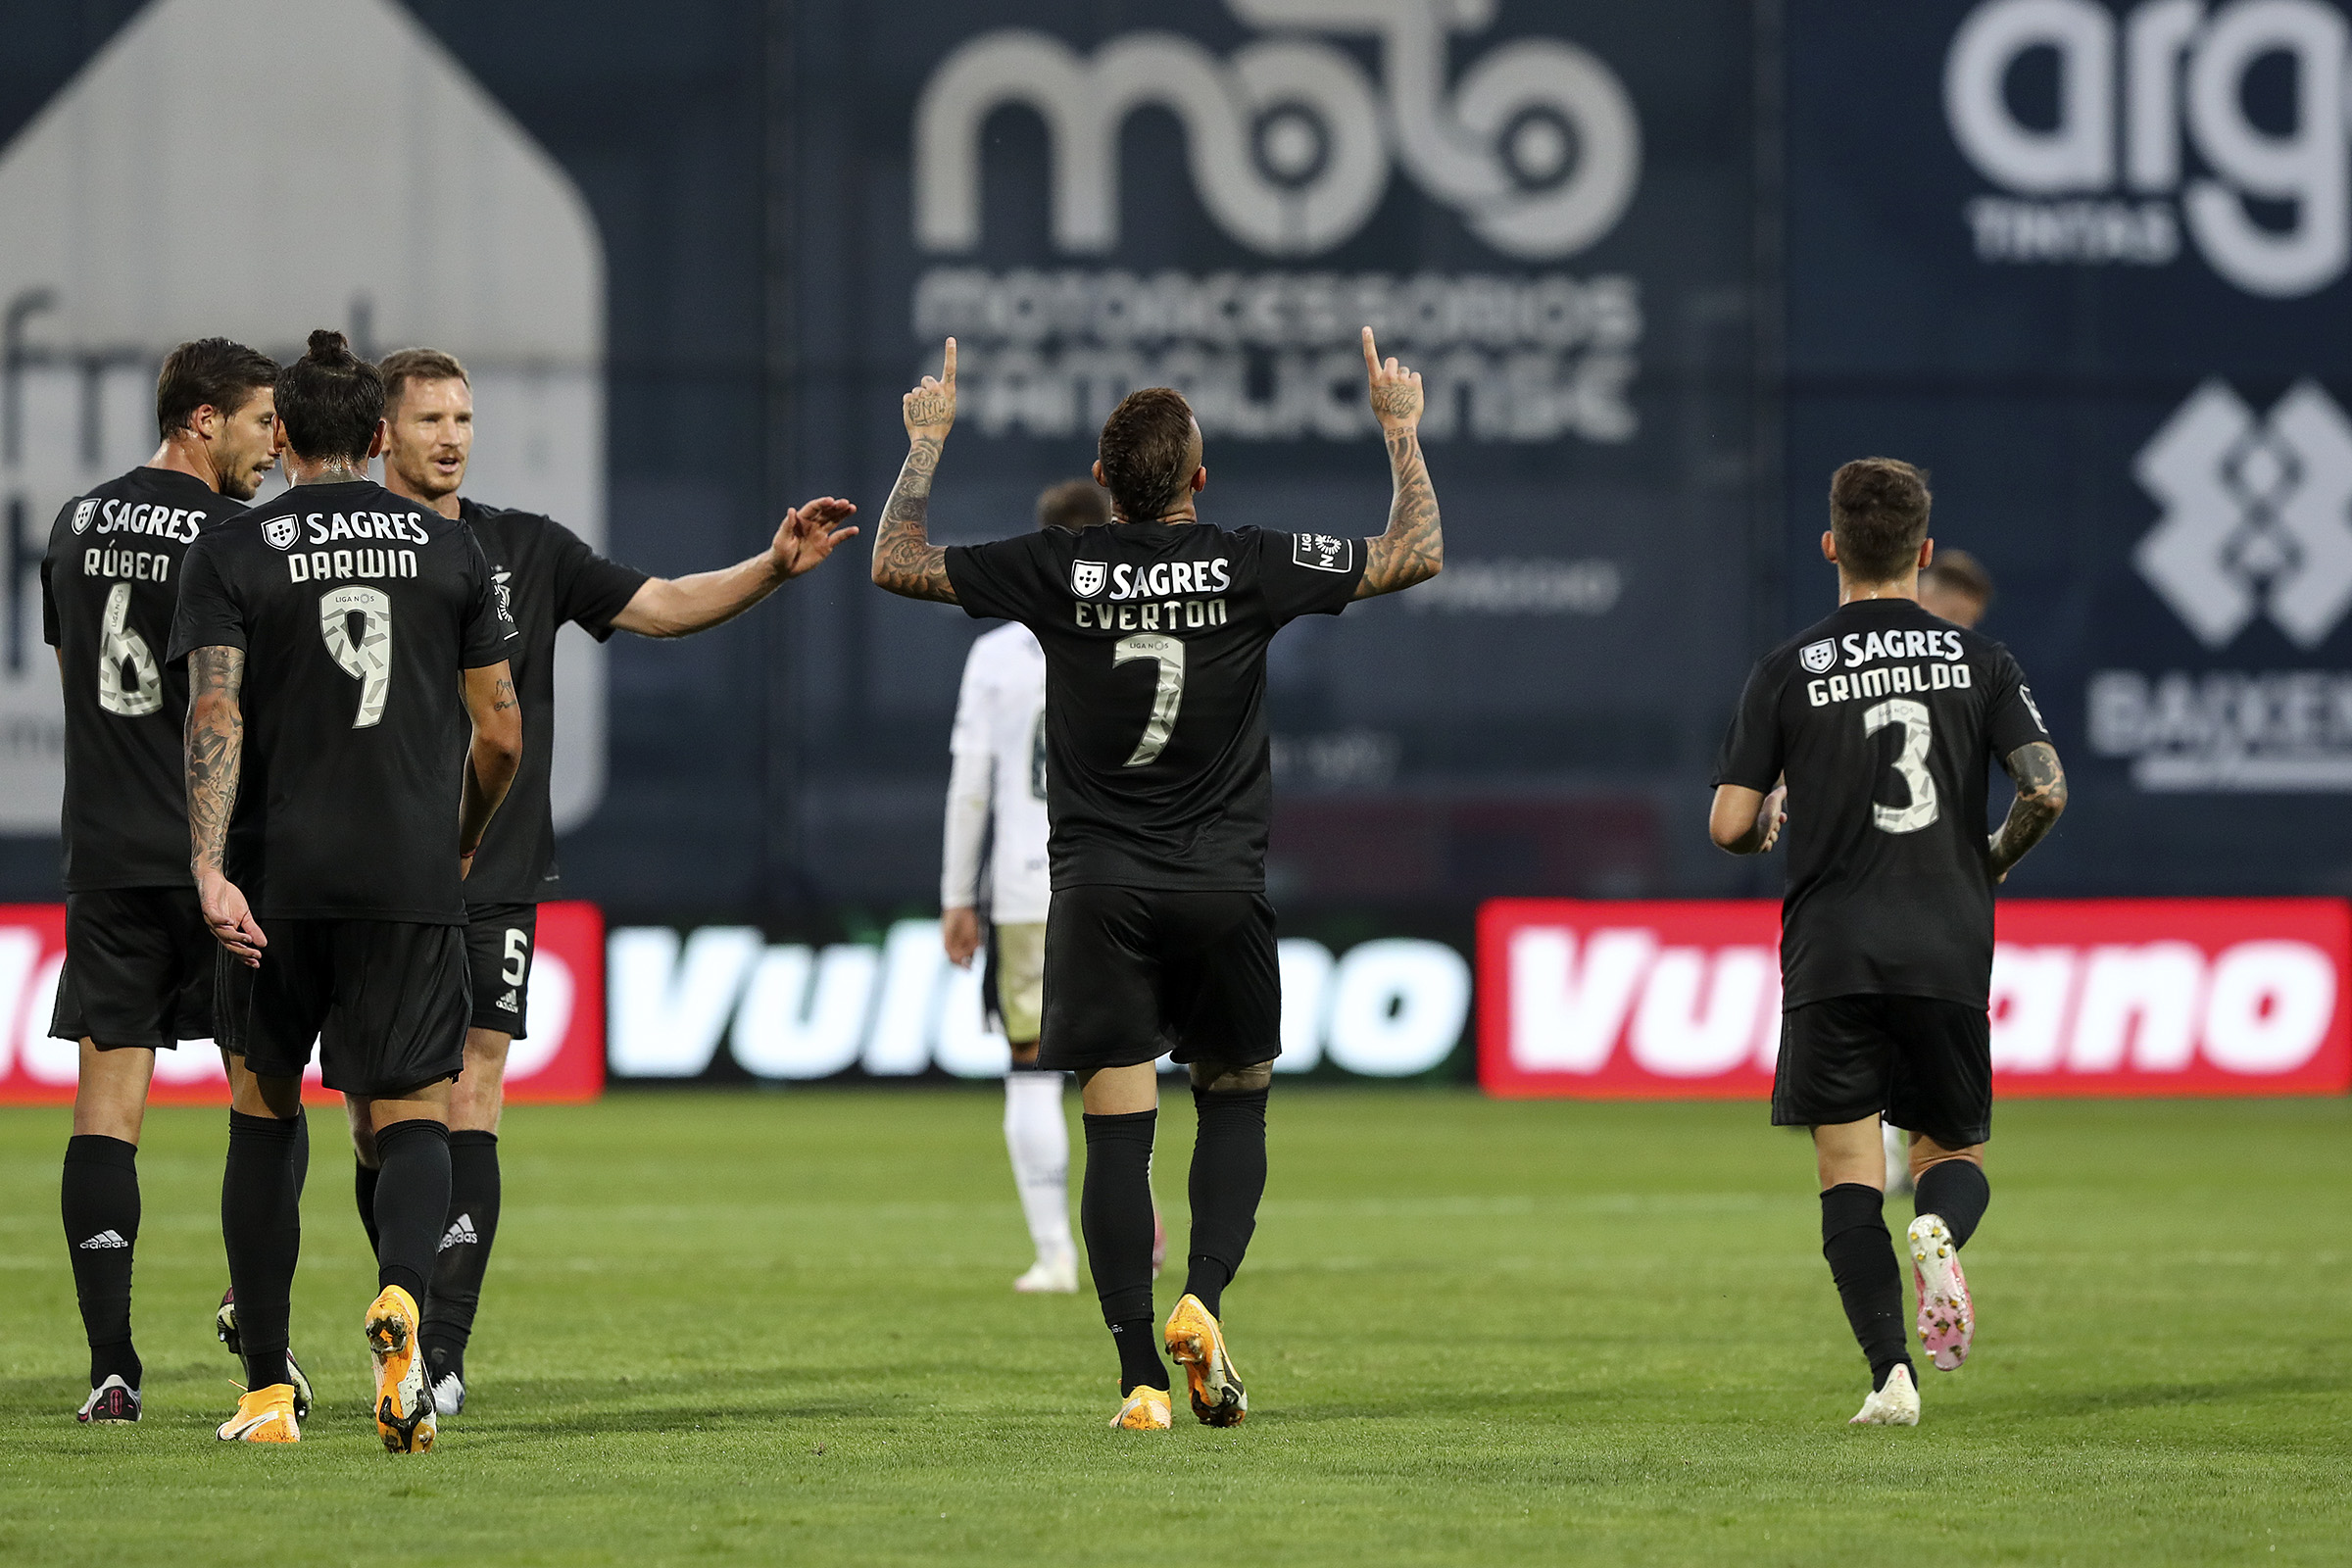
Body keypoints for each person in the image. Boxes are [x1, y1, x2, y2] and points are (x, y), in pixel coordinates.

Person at [871, 329, 1442, 1430]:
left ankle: (1139, 1375)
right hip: (1222, 883)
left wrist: (925, 443)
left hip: (1097, 891)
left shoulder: (1063, 567)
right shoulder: (1244, 558)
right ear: (1198, 479)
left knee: (1115, 1131)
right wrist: (1400, 428)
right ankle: (1204, 1298)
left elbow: (898, 559)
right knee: (1236, 1096)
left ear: (1103, 483)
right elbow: (1411, 549)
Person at [316, 347, 858, 1419]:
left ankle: (436, 1347)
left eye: (464, 415)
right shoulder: (354, 550)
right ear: (384, 433)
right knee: (376, 1123)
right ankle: (406, 1307)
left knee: (473, 1092)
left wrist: (770, 565)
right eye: (430, 417)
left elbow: (659, 603)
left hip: (496, 869)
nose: (453, 435)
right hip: (372, 870)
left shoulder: (527, 548)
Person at [172, 330, 523, 1450]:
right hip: (408, 880)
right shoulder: (454, 553)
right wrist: (458, 838)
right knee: (416, 1114)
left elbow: (215, 714)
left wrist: (209, 865)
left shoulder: (233, 548)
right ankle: (405, 1310)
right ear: (380, 437)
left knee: (266, 1113)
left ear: (281, 438)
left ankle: (269, 1387)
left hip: (280, 880)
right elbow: (502, 733)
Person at [1708, 458, 2066, 1427]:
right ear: (1925, 551)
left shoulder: (1790, 667)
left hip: (1831, 948)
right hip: (1947, 940)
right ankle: (1941, 1229)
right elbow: (2045, 787)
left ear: (1832, 545)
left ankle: (1889, 1377)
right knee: (1952, 1150)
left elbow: (1729, 823)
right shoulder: (1980, 662)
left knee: (1847, 1172)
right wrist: (1988, 860)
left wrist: (1767, 819)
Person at [41, 339, 286, 1426]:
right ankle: (260, 1339)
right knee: (261, 1099)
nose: (271, 442)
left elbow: (77, 682)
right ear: (201, 420)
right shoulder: (234, 534)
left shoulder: (74, 524)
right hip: (219, 858)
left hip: (105, 853)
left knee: (107, 1105)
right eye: (259, 422)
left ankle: (111, 1366)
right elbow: (236, 701)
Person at [941, 479, 1105, 1295]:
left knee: (1032, 1067)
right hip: (1122, 879)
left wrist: (954, 895)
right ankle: (1134, 1238)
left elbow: (971, 782)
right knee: (1121, 1064)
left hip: (1024, 885)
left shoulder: (1000, 654)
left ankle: (1055, 1255)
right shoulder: (1143, 629)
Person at [1882, 548, 1996, 1195]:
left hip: (1923, 879)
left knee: (1886, 1030)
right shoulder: (1857, 668)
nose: (1960, 634)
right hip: (1887, 879)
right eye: (1952, 617)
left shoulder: (1963, 677)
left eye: (1967, 623)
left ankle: (1898, 1162)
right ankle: (1917, 1172)